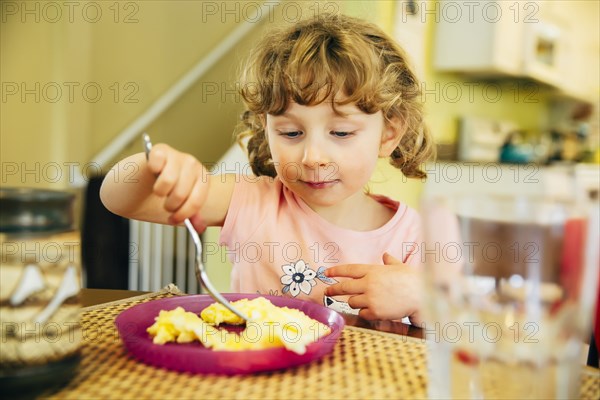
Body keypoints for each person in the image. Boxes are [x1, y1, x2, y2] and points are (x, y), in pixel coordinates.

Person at [100, 14, 434, 325]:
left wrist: (422, 299)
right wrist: (154, 167)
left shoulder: (412, 236)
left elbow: (460, 331)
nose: (313, 157)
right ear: (266, 127)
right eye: (291, 133)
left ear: (389, 134)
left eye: (341, 133)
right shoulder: (253, 202)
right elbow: (119, 200)